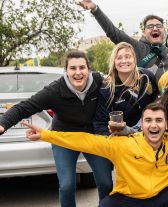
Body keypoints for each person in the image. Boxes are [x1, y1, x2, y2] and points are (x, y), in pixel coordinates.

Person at [23, 102, 168, 207]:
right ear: (141, 125)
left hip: (160, 197)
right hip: (129, 199)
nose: (154, 125)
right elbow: (84, 140)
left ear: (166, 125)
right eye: (148, 120)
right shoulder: (122, 144)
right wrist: (46, 135)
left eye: (159, 120)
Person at [0, 51, 112, 207]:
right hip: (63, 138)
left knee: (106, 182)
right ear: (66, 71)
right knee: (66, 186)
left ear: (89, 69)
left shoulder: (99, 82)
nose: (78, 72)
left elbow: (120, 86)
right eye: (73, 68)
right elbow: (24, 107)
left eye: (82, 67)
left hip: (91, 137)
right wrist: (3, 124)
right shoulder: (54, 91)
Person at [78, 0, 168, 80]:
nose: (155, 29)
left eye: (159, 26)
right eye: (150, 26)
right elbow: (113, 32)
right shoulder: (137, 47)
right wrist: (95, 9)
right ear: (144, 32)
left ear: (164, 30)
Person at [93, 42, 158, 136]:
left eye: (128, 57)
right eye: (119, 58)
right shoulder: (107, 89)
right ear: (114, 63)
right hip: (124, 140)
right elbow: (100, 124)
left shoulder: (147, 77)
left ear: (135, 59)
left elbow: (156, 104)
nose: (124, 61)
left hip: (150, 134)